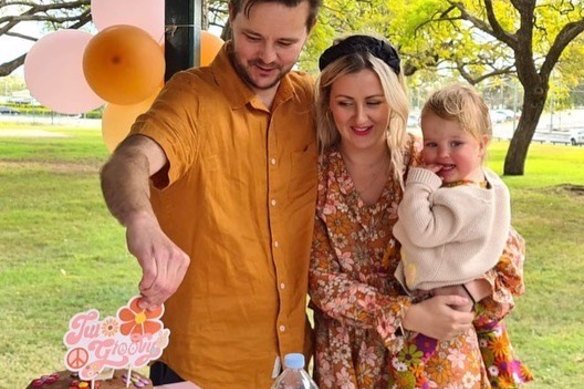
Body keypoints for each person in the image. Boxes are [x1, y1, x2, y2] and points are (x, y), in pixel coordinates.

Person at [99, 0, 322, 387]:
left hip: (291, 366)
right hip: (198, 369)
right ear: (232, 16)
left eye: (286, 42)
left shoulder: (313, 101)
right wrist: (140, 219)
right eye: (253, 37)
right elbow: (129, 161)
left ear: (309, 32)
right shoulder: (190, 97)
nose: (268, 56)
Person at [308, 34, 529, 389]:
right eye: (345, 103)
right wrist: (405, 314)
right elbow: (320, 283)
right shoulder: (314, 175)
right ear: (328, 104)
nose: (360, 117)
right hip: (349, 357)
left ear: (394, 101)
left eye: (374, 102)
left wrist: (467, 292)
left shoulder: (429, 158)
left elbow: (500, 242)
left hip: (438, 344)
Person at [392, 84, 533, 387]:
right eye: (431, 144)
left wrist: (418, 184)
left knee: (405, 368)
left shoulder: (461, 198)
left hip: (448, 296)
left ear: (482, 145)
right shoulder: (488, 185)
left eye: (456, 143)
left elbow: (420, 229)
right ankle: (506, 372)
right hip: (468, 292)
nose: (442, 154)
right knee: (490, 341)